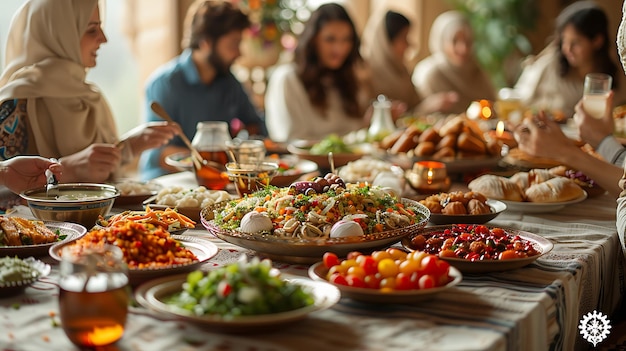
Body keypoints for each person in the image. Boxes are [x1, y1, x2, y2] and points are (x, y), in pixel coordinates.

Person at [0, 0, 178, 183]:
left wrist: (130, 147)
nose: (103, 38)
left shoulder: (89, 97)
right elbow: (3, 190)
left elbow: (94, 172)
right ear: (61, 34)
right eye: (92, 30)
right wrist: (64, 170)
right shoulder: (15, 102)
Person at [140, 0, 265, 180]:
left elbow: (255, 125)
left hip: (216, 181)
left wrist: (243, 145)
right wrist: (213, 160)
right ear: (206, 42)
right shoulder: (165, 84)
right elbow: (159, 154)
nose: (239, 53)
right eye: (233, 44)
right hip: (167, 183)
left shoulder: (229, 82)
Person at [264, 3, 373, 142]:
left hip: (349, 163)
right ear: (313, 40)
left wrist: (369, 123)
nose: (339, 49)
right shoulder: (287, 79)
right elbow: (291, 140)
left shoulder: (348, 79)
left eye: (346, 40)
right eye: (330, 39)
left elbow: (353, 134)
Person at [513, 1, 625, 119]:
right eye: (564, 41)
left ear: (597, 41)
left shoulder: (615, 74)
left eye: (575, 43)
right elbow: (520, 102)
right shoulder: (550, 66)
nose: (567, 49)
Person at [360, 10, 458, 114]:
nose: (410, 45)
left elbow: (413, 109)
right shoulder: (364, 75)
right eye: (404, 38)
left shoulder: (402, 72)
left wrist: (430, 105)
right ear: (386, 43)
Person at [411, 11, 496, 115]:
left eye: (468, 41)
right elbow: (414, 116)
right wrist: (429, 107)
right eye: (455, 41)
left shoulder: (478, 74)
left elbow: (493, 109)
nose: (463, 49)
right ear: (441, 41)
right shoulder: (429, 74)